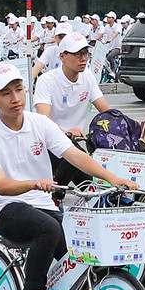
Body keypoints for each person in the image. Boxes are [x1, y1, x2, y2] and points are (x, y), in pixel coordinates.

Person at [0, 63, 137, 290]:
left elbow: (73, 154)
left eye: (18, 89)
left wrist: (114, 178)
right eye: (5, 93)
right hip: (5, 207)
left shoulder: (39, 123)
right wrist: (32, 183)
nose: (15, 98)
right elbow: (0, 184)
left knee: (74, 260)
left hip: (41, 204)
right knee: (48, 229)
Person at [31, 32, 113, 185]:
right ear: (62, 56)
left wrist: (127, 125)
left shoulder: (87, 77)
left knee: (90, 186)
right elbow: (43, 118)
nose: (83, 59)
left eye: (85, 54)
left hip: (72, 145)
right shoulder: (46, 80)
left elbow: (107, 111)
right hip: (47, 143)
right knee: (77, 159)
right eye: (77, 54)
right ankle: (54, 196)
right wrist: (67, 133)